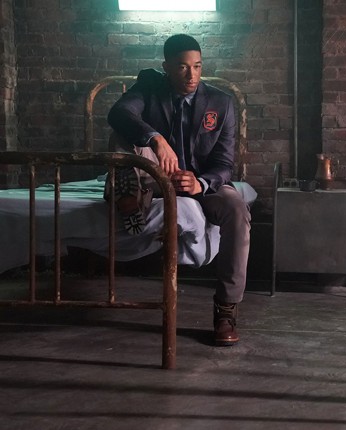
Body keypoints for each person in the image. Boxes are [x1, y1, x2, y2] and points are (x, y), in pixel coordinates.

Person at [106, 34, 251, 347]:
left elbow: (225, 164)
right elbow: (118, 113)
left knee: (237, 209)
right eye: (183, 67)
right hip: (157, 178)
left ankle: (226, 310)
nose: (191, 75)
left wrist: (201, 183)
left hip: (202, 184)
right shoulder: (149, 87)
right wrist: (155, 138)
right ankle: (127, 193)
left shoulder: (221, 102)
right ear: (166, 67)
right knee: (122, 137)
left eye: (197, 66)